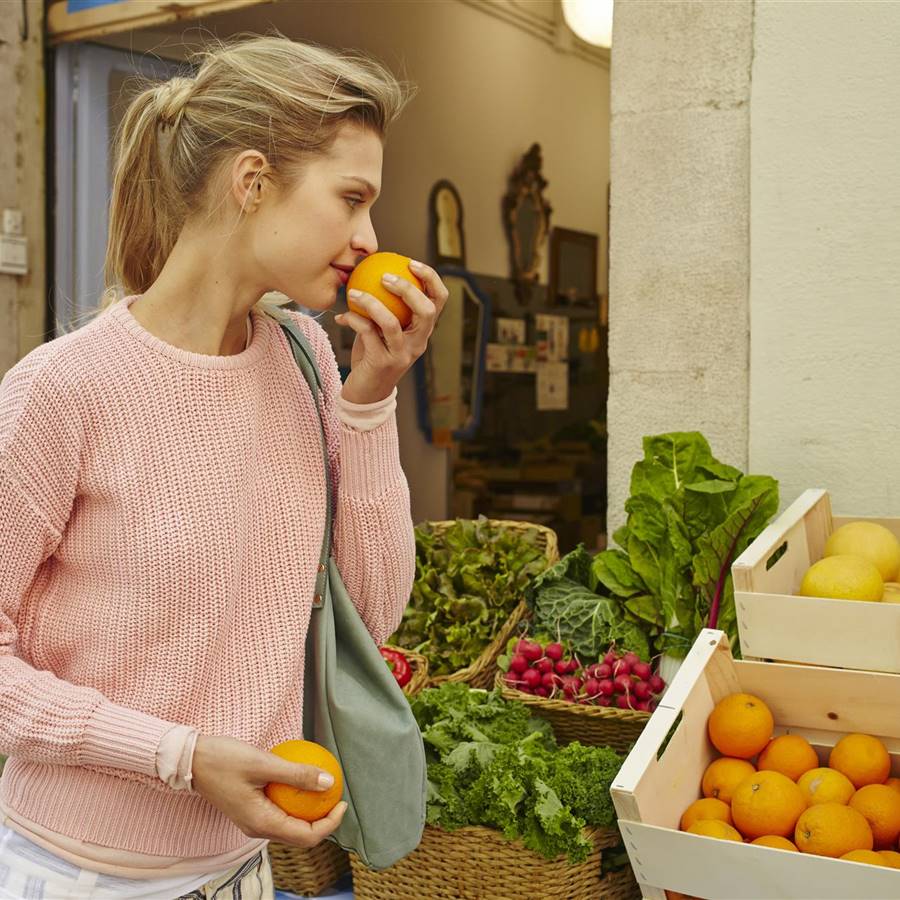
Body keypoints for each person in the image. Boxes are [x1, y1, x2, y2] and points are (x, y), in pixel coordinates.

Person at [0, 33, 447, 899]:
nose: (369, 238)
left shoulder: (309, 360)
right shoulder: (64, 391)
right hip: (75, 874)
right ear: (251, 182)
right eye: (350, 199)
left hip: (239, 871)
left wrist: (372, 396)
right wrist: (178, 756)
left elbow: (374, 611)